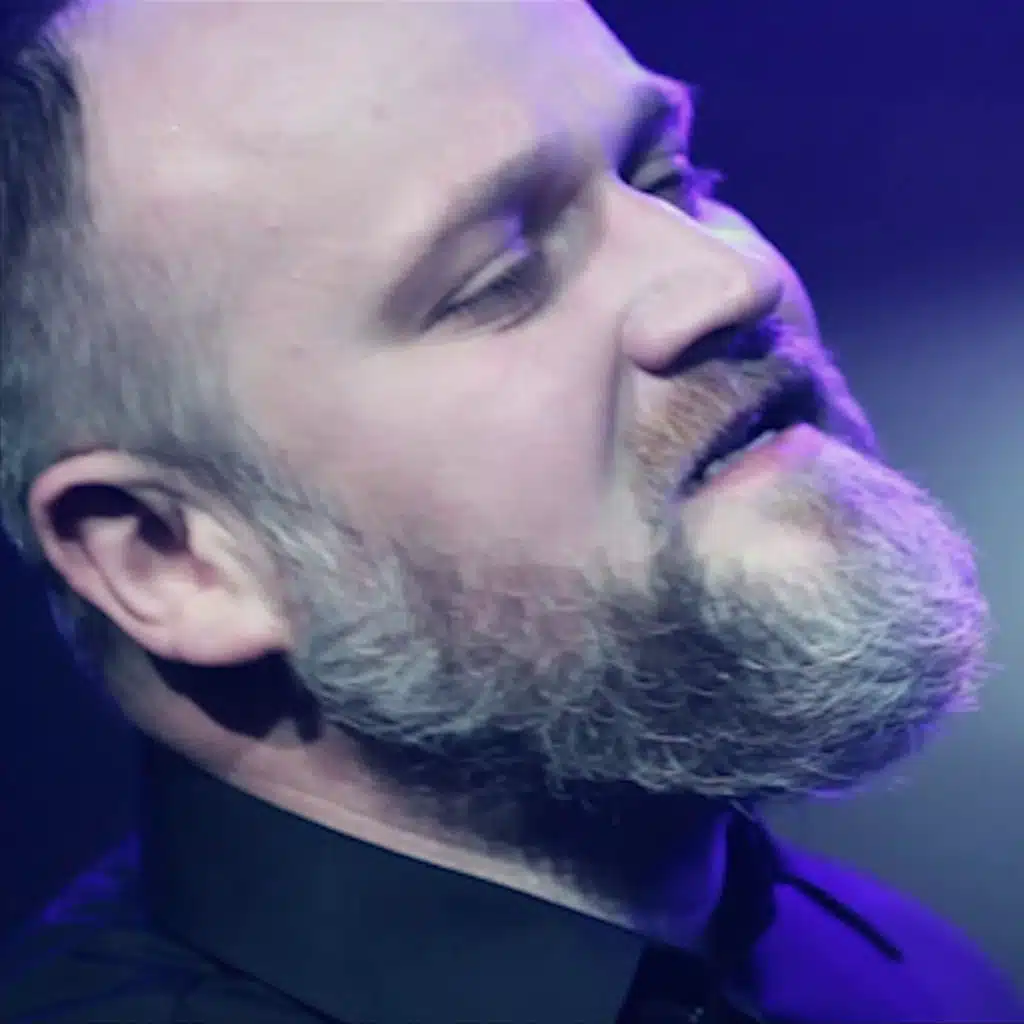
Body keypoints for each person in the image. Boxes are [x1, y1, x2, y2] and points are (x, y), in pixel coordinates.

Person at [0, 0, 1021, 1021]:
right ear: (172, 559)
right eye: (500, 279)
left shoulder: (890, 966)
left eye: (664, 175)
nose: (731, 275)